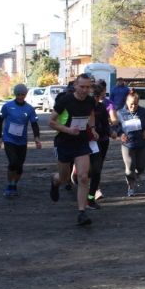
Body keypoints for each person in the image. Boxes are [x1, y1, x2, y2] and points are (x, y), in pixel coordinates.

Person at [49, 73, 99, 226]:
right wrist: (68, 130)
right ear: (76, 86)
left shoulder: (91, 101)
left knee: (83, 176)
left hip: (81, 142)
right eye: (82, 87)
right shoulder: (65, 100)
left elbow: (91, 114)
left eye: (88, 87)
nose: (85, 90)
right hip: (64, 142)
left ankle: (81, 213)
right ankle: (55, 181)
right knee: (63, 178)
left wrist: (93, 128)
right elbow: (51, 122)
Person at [0, 84, 42, 197]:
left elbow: (34, 124)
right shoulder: (7, 106)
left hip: (22, 141)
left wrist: (37, 138)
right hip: (9, 139)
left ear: (25, 95)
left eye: (22, 94)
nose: (20, 97)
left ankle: (14, 185)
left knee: (20, 166)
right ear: (15, 94)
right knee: (13, 162)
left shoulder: (30, 109)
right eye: (18, 94)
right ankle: (10, 185)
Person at [115, 93, 145, 197]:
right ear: (126, 102)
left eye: (136, 104)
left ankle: (136, 175)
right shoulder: (120, 113)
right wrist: (120, 133)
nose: (133, 106)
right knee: (129, 168)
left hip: (142, 143)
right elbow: (115, 126)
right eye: (131, 104)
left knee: (141, 167)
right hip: (127, 144)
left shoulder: (143, 111)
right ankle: (131, 187)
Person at [87, 84, 116, 208]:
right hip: (84, 141)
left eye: (95, 96)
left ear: (99, 97)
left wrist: (111, 132)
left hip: (100, 141)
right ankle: (76, 175)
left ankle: (91, 197)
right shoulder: (82, 107)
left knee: (97, 170)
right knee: (85, 172)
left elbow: (105, 124)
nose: (92, 98)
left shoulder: (101, 107)